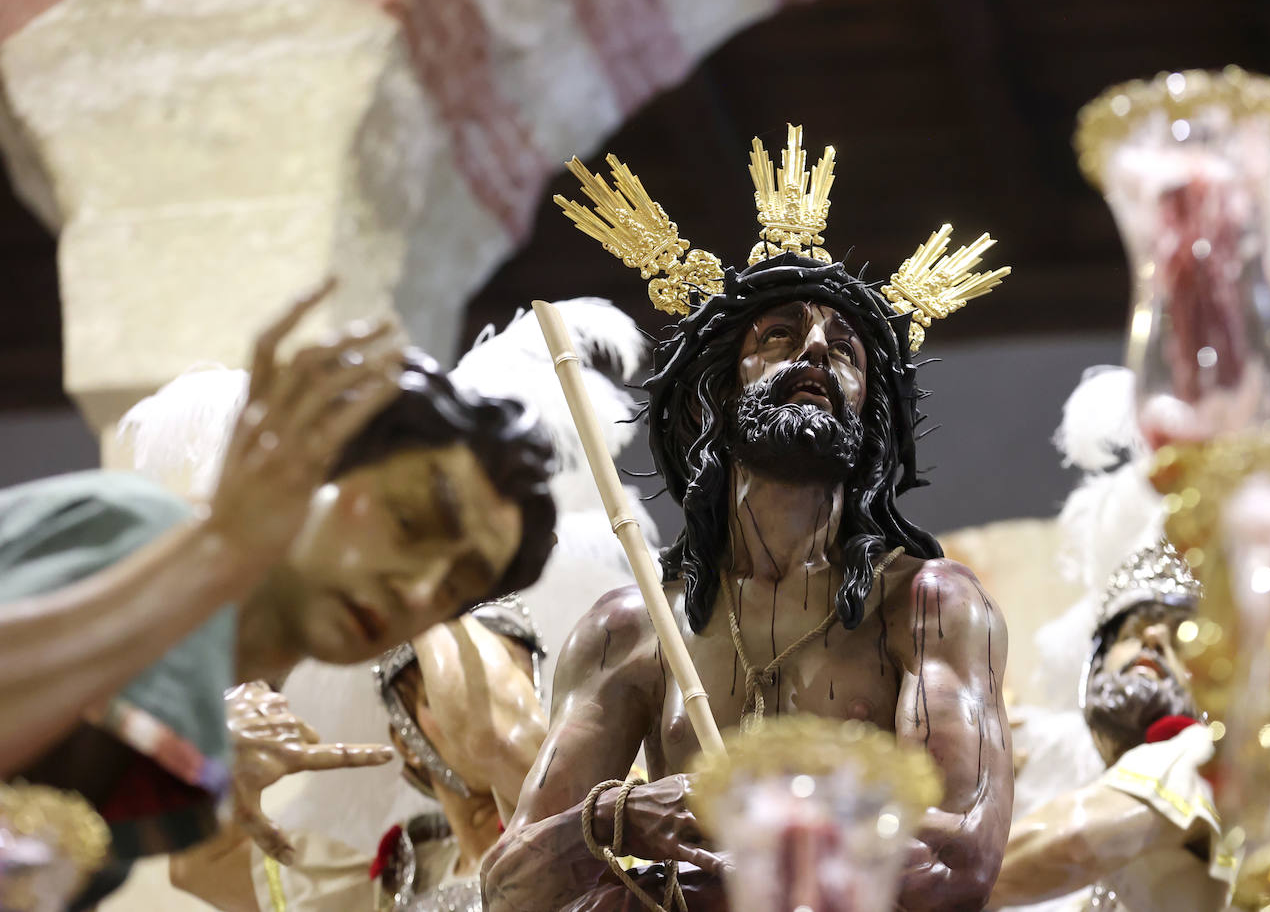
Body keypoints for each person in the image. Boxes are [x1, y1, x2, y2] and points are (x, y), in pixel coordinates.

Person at [483, 125, 1015, 910]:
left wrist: (738, 842)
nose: (815, 353)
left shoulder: (928, 607)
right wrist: (622, 816)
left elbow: (957, 858)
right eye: (779, 335)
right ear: (722, 390)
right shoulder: (632, 632)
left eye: (846, 350)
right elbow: (511, 884)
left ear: (869, 413)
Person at [0, 282, 557, 902]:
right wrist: (216, 552)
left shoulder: (194, 751)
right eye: (408, 522)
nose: (419, 589)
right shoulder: (135, 526)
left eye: (457, 588)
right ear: (327, 460)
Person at [168, 594, 548, 912]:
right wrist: (225, 744)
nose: (503, 706)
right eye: (447, 690)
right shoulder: (388, 886)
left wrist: (420, 590)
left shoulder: (566, 824)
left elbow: (497, 737)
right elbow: (197, 865)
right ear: (405, 743)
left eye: (520, 692)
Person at [989, 539, 1238, 910]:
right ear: (1094, 667)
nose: (1153, 637)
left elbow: (1072, 842)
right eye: (1131, 634)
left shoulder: (1202, 756)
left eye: (1181, 638)